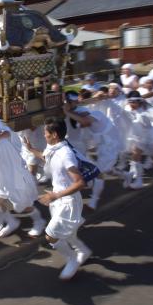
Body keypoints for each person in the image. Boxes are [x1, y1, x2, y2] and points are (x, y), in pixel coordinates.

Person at [37, 117, 91, 280]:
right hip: (59, 199)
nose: (44, 136)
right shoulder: (54, 148)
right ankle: (83, 251)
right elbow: (46, 157)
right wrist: (30, 148)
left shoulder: (65, 154)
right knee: (66, 232)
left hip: (68, 201)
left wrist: (55, 195)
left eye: (45, 133)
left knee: (51, 235)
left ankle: (72, 259)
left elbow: (80, 182)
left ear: (53, 134)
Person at [63, 91, 122, 210]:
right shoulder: (81, 113)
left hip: (111, 146)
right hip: (101, 146)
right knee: (106, 170)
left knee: (99, 173)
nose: (81, 114)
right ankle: (126, 175)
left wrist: (67, 111)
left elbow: (84, 121)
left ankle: (94, 201)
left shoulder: (97, 114)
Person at [121, 91, 153, 189]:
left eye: (134, 102)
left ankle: (139, 180)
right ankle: (132, 174)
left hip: (143, 138)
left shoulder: (144, 114)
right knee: (134, 157)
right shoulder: (127, 109)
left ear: (139, 102)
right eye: (130, 102)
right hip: (132, 137)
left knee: (136, 155)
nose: (132, 104)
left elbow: (148, 128)